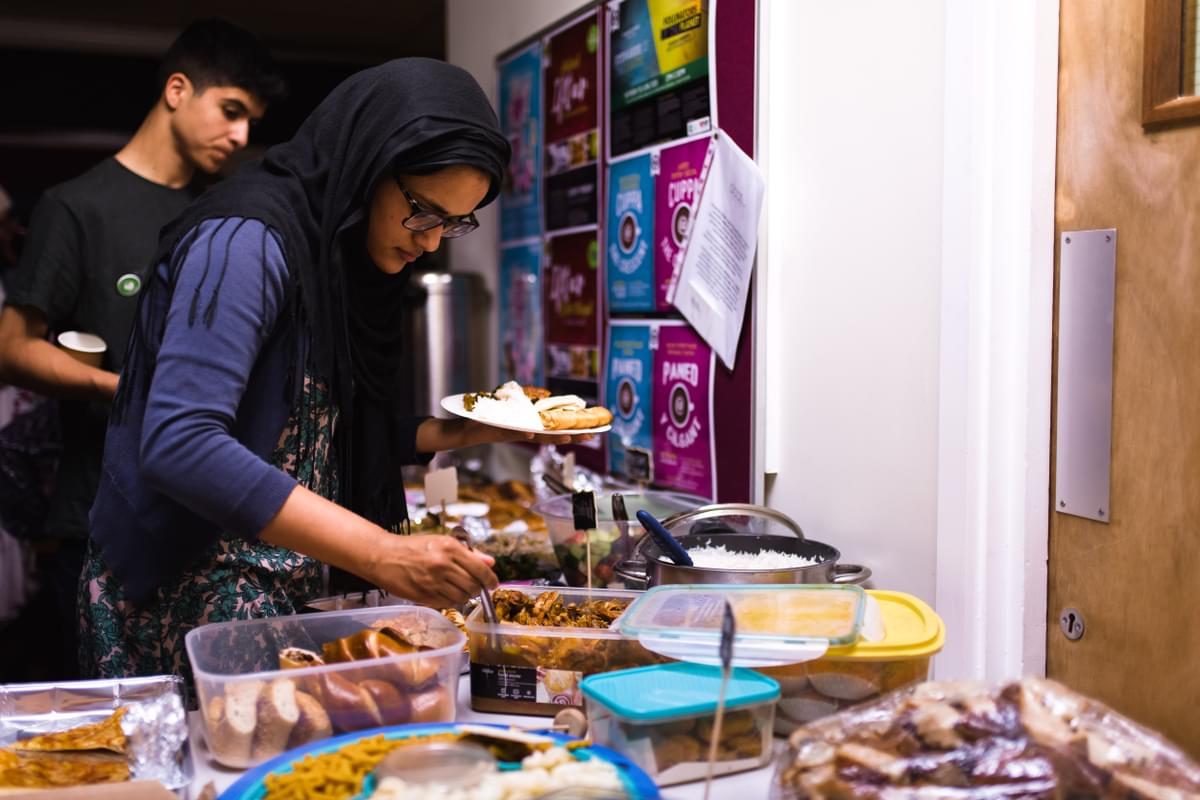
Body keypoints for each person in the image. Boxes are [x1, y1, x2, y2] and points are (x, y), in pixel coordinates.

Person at [78, 58, 589, 680]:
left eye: (453, 224)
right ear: (369, 167)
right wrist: (380, 552)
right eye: (424, 212)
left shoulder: (335, 259)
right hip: (182, 596)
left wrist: (460, 432)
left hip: (274, 592)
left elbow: (313, 432)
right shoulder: (245, 240)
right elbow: (181, 444)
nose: (431, 242)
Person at [0, 19, 285, 679]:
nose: (241, 137)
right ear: (178, 90)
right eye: (232, 111)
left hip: (204, 516)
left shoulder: (221, 212)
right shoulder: (78, 207)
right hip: (99, 513)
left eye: (251, 121)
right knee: (117, 732)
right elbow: (12, 349)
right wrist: (125, 389)